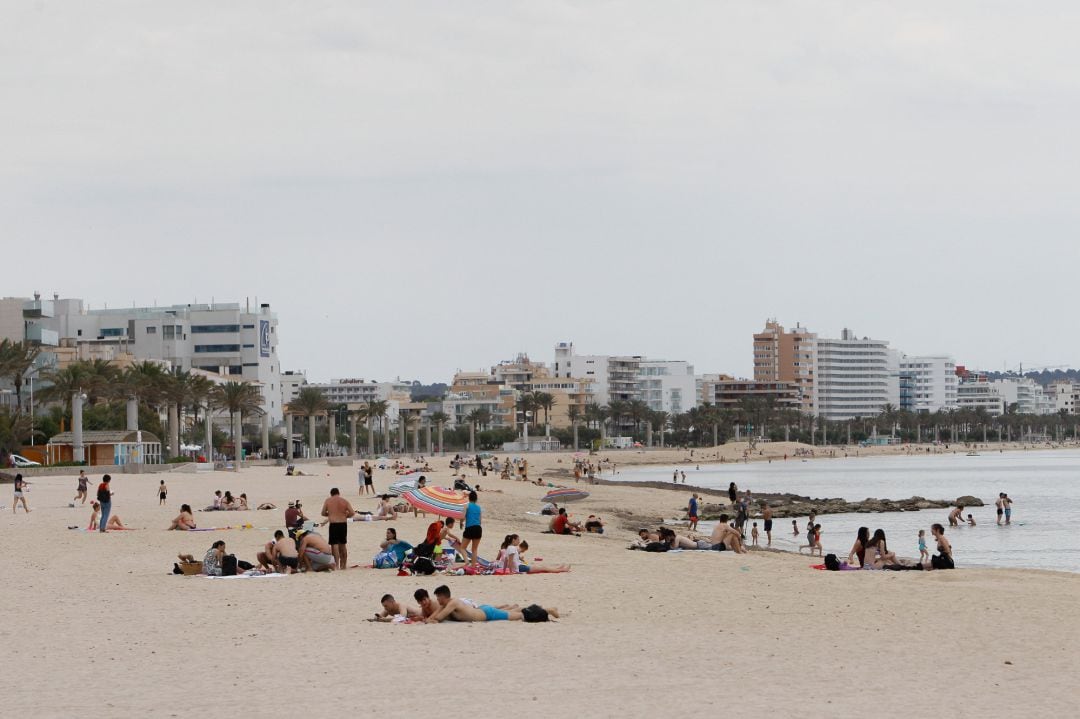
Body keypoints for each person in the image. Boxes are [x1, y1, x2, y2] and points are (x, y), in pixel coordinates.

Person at [320, 487, 355, 570]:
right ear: (338, 493)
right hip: (343, 524)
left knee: (334, 545)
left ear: (331, 494)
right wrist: (345, 516)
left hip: (334, 524)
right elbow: (352, 513)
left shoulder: (328, 500)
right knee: (343, 544)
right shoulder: (344, 501)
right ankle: (344, 565)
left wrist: (330, 514)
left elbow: (323, 512)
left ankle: (336, 565)